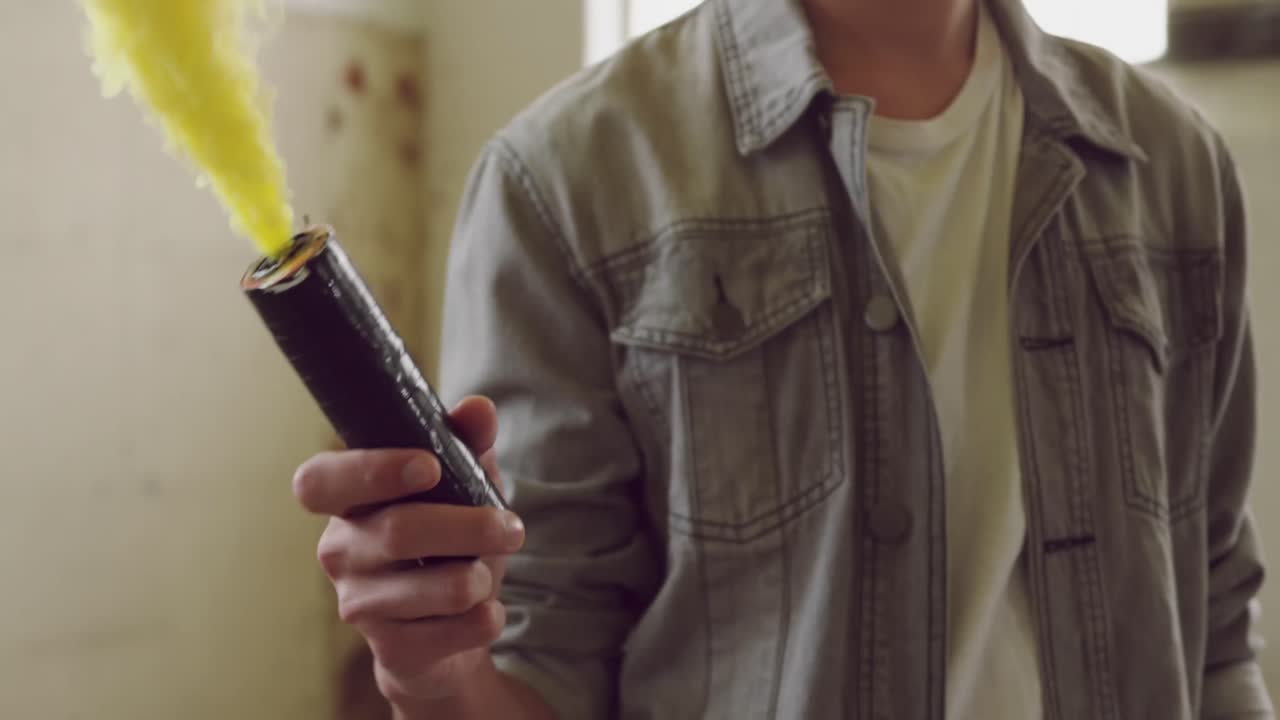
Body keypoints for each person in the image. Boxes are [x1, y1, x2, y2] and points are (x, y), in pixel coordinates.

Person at [290, 0, 1272, 717]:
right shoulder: (565, 181)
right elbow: (545, 662)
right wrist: (437, 673)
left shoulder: (1168, 164)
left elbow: (1214, 621)